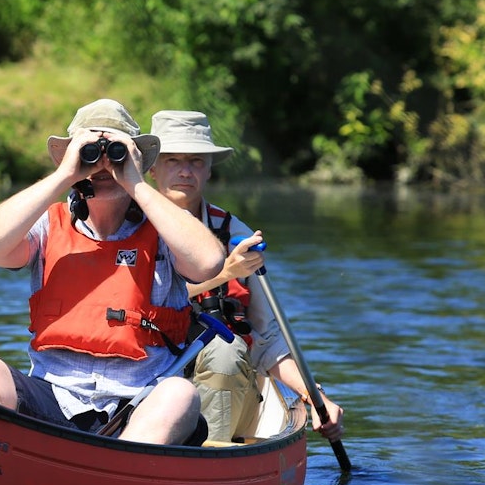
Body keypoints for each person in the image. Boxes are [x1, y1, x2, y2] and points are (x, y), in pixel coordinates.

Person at [0, 99, 226, 446]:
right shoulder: (48, 226)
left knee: (181, 395)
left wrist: (135, 183)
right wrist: (66, 174)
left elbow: (208, 263)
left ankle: (120, 479)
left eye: (117, 155)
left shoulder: (164, 229)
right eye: (91, 154)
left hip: (139, 406)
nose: (102, 167)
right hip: (54, 397)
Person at [146, 110, 345, 444]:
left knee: (227, 348)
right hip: (145, 374)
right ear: (152, 168)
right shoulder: (126, 228)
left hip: (223, 379)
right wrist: (225, 272)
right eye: (172, 160)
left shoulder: (235, 234)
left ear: (210, 170)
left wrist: (315, 396)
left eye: (196, 161)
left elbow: (267, 338)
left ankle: (202, 462)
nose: (184, 171)